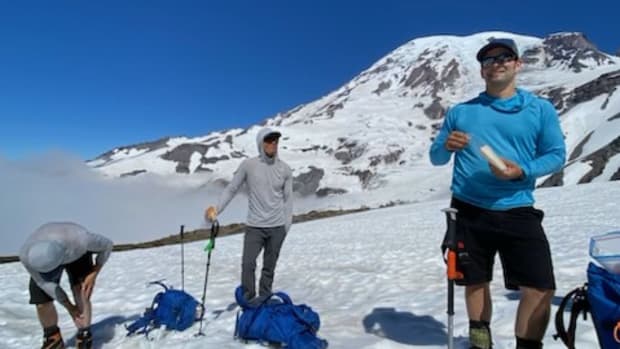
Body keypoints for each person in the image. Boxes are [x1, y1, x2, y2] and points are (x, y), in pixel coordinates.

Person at [429, 38, 566, 349]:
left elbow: (556, 155)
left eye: (505, 56)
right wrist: (445, 145)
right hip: (468, 209)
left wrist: (521, 170)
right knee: (475, 282)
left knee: (540, 287)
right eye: (489, 60)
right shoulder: (462, 112)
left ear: (518, 64)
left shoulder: (539, 110)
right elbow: (436, 157)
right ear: (482, 71)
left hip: (517, 207)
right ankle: (481, 344)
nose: (497, 63)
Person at [205, 127, 293, 304]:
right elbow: (231, 189)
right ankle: (249, 300)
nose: (273, 144)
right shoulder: (249, 165)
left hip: (277, 228)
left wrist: (286, 227)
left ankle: (265, 299)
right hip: (255, 227)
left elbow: (288, 200)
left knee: (269, 267)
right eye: (269, 140)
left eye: (275, 140)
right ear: (260, 143)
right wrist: (217, 209)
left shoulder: (285, 169)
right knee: (248, 265)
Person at [19, 222, 113, 349]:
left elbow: (107, 245)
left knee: (82, 290)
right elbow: (44, 283)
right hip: (47, 252)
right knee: (41, 300)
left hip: (75, 251)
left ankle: (84, 333)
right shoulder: (26, 256)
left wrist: (94, 272)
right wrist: (69, 307)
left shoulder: (82, 240)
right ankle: (52, 337)